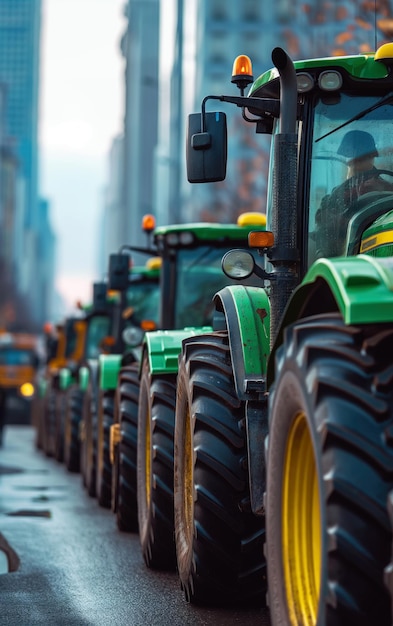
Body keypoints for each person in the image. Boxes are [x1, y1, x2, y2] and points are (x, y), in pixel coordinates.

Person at [314, 130, 393, 257]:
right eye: (351, 154)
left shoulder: (386, 187)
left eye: (366, 156)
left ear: (372, 158)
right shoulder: (337, 195)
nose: (355, 160)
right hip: (345, 250)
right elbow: (323, 221)